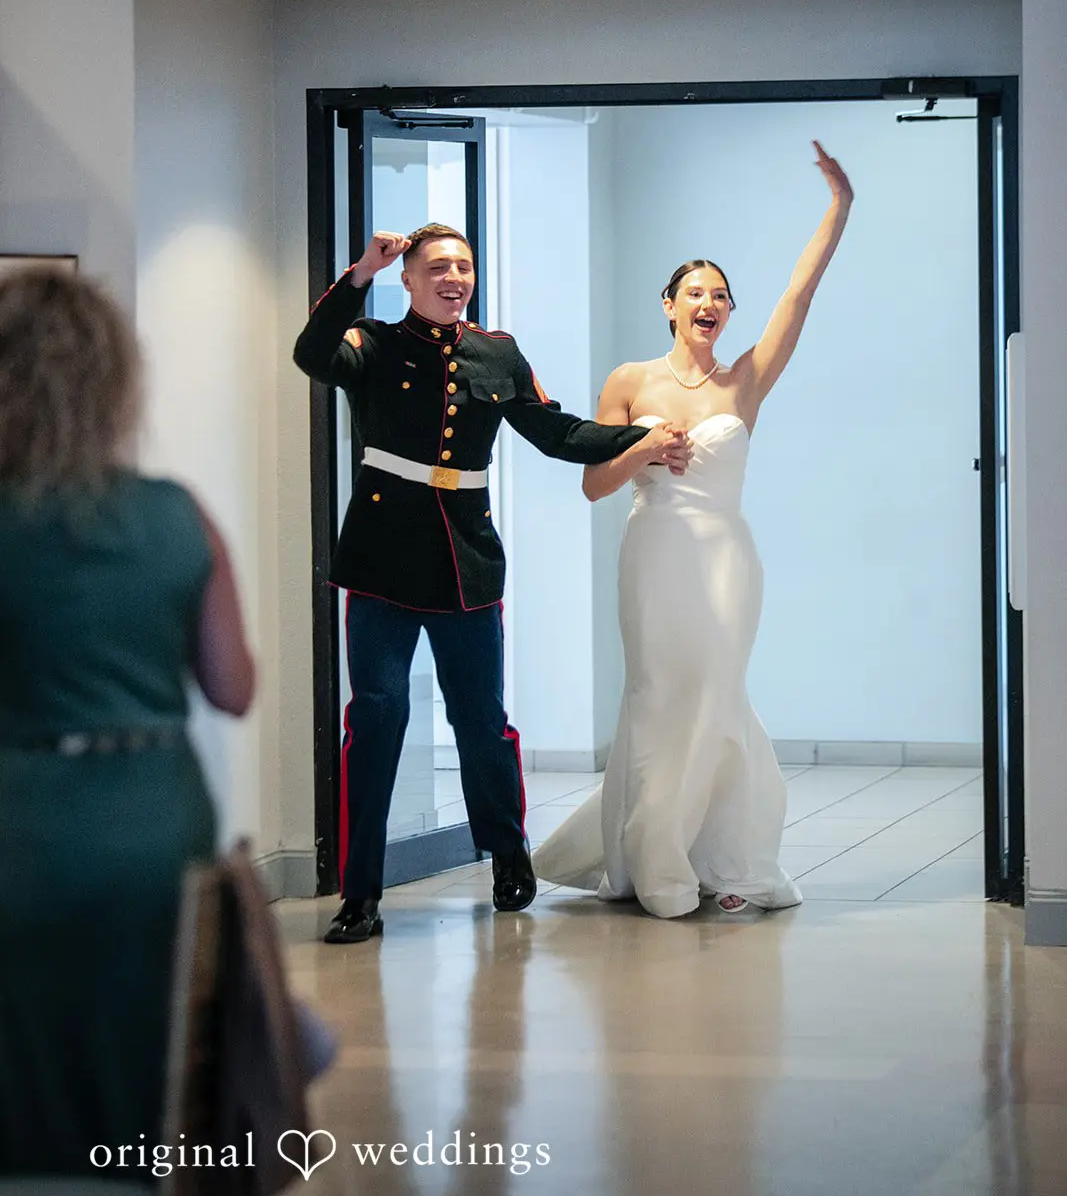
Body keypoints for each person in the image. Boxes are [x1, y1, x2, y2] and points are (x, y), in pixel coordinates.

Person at [293, 223, 690, 945]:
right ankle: (360, 893)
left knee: (481, 722)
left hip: (464, 561)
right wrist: (357, 276)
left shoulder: (495, 353)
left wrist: (641, 441)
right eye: (437, 267)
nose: (453, 278)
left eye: (463, 267)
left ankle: (508, 853)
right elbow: (310, 355)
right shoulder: (373, 343)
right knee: (375, 724)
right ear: (407, 278)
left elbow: (555, 431)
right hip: (380, 561)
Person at [532, 141, 854, 918]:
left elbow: (798, 297)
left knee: (716, 693)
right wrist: (643, 446)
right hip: (654, 552)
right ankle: (653, 859)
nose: (708, 303)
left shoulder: (744, 379)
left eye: (720, 295)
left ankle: (727, 858)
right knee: (657, 695)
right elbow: (591, 485)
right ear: (669, 304)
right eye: (694, 292)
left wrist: (838, 207)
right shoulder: (628, 382)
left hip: (725, 558)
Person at [0, 268, 256, 1177]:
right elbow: (233, 687)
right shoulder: (175, 514)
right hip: (154, 811)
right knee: (156, 1039)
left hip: (20, 814)